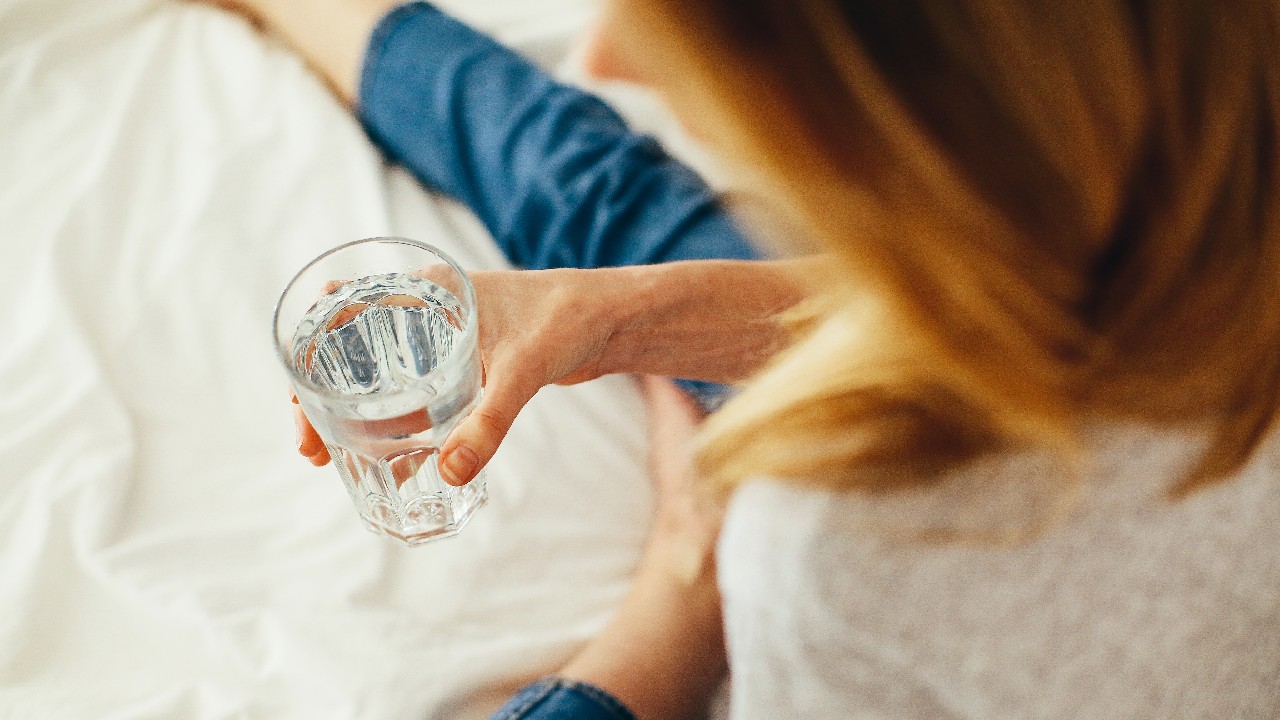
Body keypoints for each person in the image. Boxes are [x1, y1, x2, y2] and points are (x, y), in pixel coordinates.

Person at [212, 0, 1280, 717]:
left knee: (598, 192)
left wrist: (683, 599)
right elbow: (1073, 314)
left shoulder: (841, 550)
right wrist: (625, 316)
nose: (604, 52)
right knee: (604, 208)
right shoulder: (1215, 154)